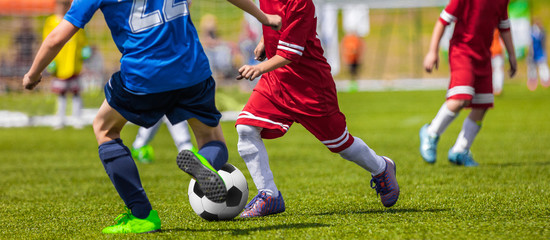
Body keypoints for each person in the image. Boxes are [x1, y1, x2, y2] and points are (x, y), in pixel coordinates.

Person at [22, 0, 281, 234]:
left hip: (144, 77)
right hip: (192, 71)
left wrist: (33, 74)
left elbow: (57, 37)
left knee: (104, 129)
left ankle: (142, 214)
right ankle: (205, 161)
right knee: (211, 137)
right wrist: (264, 17)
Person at [235, 0, 399, 218]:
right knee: (246, 128)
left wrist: (258, 68)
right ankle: (269, 195)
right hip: (277, 81)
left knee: (341, 144)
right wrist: (266, 39)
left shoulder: (302, 2)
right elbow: (275, 20)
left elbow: (290, 53)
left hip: (310, 85)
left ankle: (381, 167)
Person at [420, 0, 517, 167]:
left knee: (482, 105)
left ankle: (460, 150)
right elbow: (443, 20)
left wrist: (512, 56)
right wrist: (432, 51)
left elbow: (504, 26)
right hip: (462, 52)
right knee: (460, 99)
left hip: (484, 56)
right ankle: (431, 132)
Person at [43, 0, 89, 129]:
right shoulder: (51, 22)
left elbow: (82, 38)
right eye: (60, 5)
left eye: (65, 5)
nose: (62, 7)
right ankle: (60, 118)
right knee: (61, 93)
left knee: (76, 92)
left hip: (74, 63)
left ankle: (77, 118)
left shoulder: (75, 19)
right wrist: (50, 60)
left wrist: (85, 49)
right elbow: (47, 40)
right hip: (60, 63)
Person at [527, 18, 550, 91]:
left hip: (540, 53)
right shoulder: (531, 33)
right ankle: (532, 80)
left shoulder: (541, 33)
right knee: (532, 68)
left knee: (543, 67)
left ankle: (545, 79)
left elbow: (543, 43)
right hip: (532, 53)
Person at [491, 29, 505, 95]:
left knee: (494, 71)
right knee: (498, 71)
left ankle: (494, 88)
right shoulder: (498, 27)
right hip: (497, 51)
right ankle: (498, 88)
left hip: (490, 50)